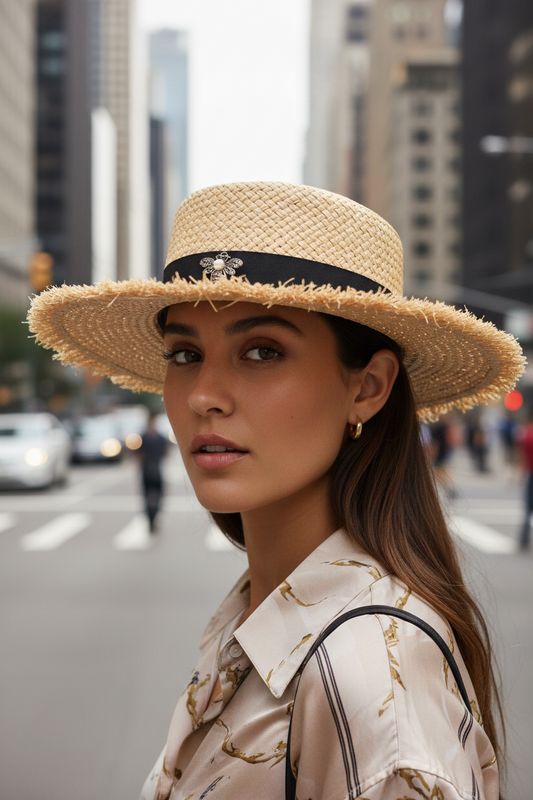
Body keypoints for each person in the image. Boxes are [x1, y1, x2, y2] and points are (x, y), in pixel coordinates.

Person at [28, 182, 524, 800]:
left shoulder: (367, 681)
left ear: (368, 387)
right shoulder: (261, 620)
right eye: (184, 353)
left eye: (262, 350)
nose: (205, 393)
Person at [138, 413, 168, 532]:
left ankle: (152, 520)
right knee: (152, 497)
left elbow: (138, 456)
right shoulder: (157, 438)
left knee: (152, 497)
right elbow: (166, 454)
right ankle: (152, 520)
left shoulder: (145, 437)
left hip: (149, 470)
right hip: (152, 470)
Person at [517, 410, 533, 550]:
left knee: (527, 509)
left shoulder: (526, 433)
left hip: (530, 473)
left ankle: (524, 538)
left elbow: (522, 456)